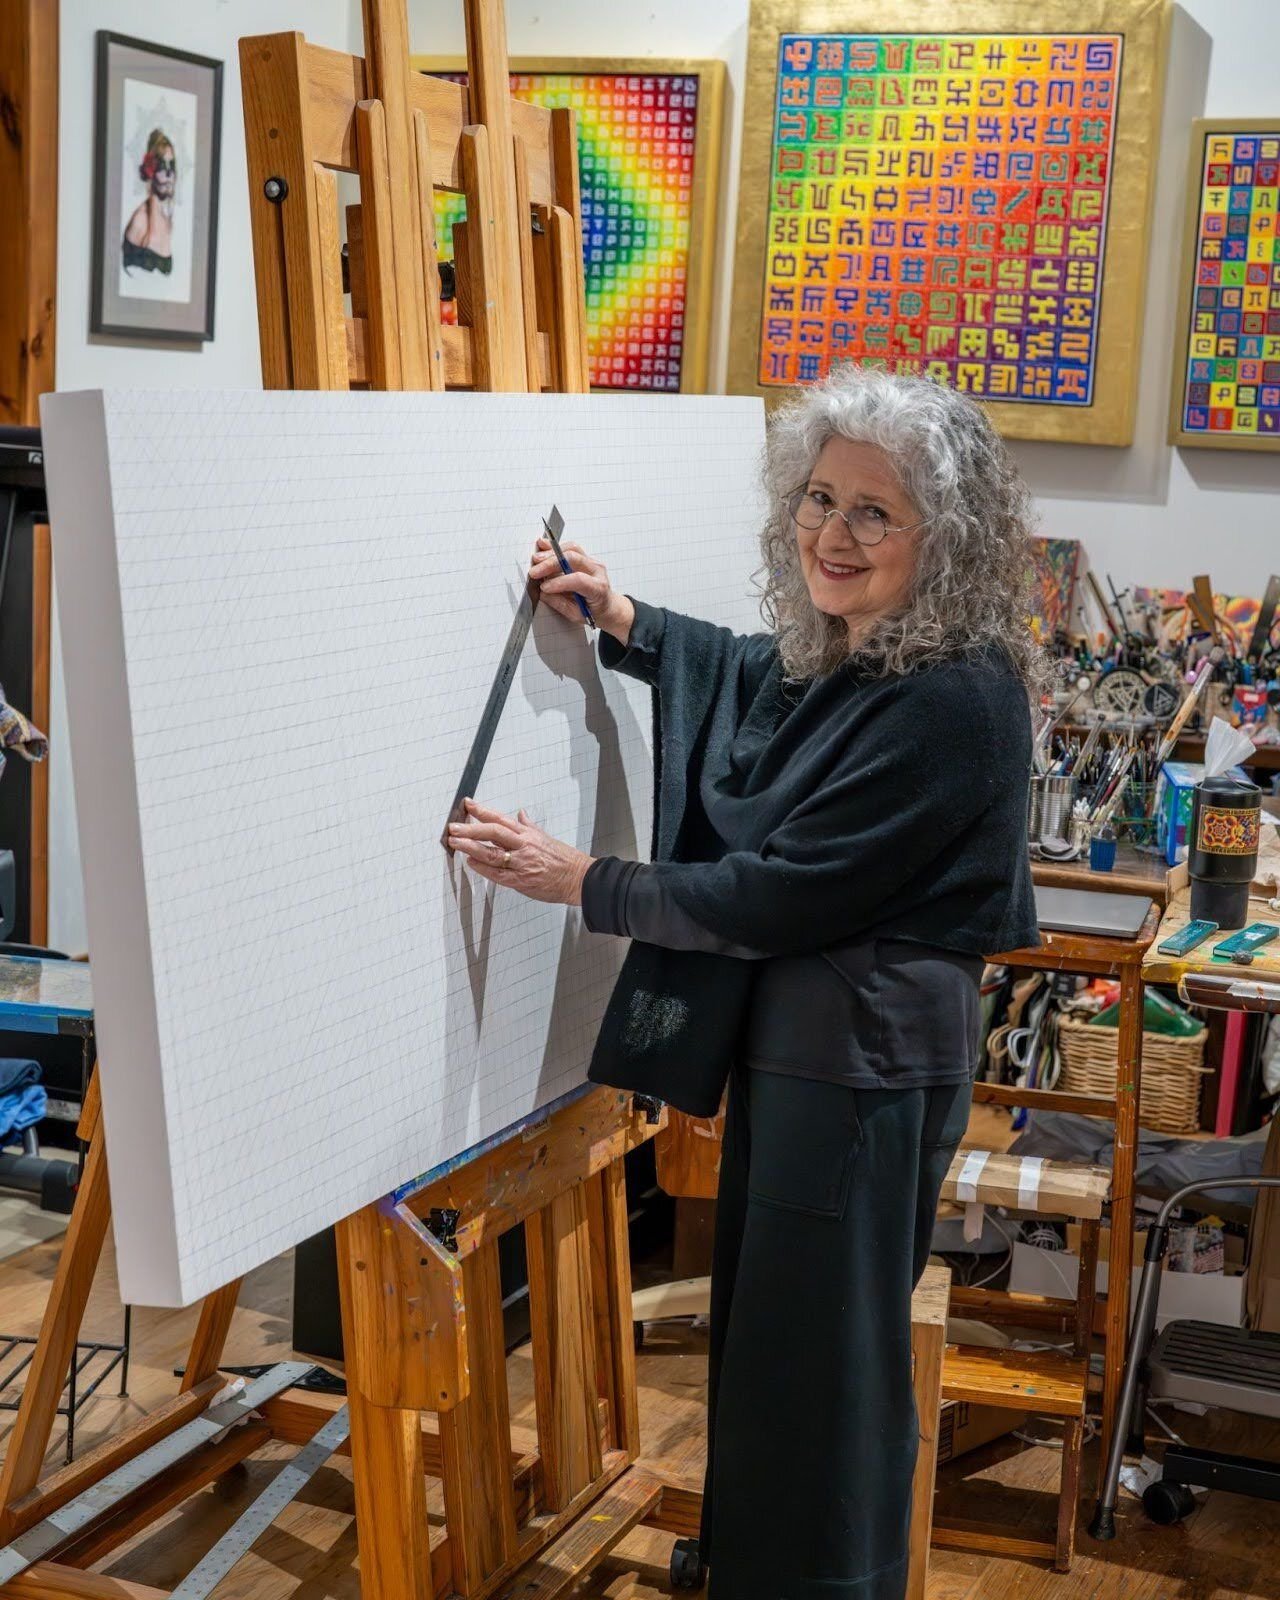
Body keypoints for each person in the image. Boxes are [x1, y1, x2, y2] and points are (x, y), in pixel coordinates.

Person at [447, 364, 1041, 1600]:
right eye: (818, 498)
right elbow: (752, 675)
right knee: (776, 1354)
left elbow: (776, 893)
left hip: (860, 1075)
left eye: (872, 512)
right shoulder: (867, 653)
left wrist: (583, 880)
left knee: (818, 1377)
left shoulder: (955, 698)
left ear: (944, 535)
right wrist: (626, 621)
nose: (832, 533)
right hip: (817, 1063)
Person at [122, 129, 177, 277]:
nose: (169, 174)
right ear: (150, 170)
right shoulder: (139, 221)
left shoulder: (167, 222)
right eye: (162, 166)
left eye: (171, 165)